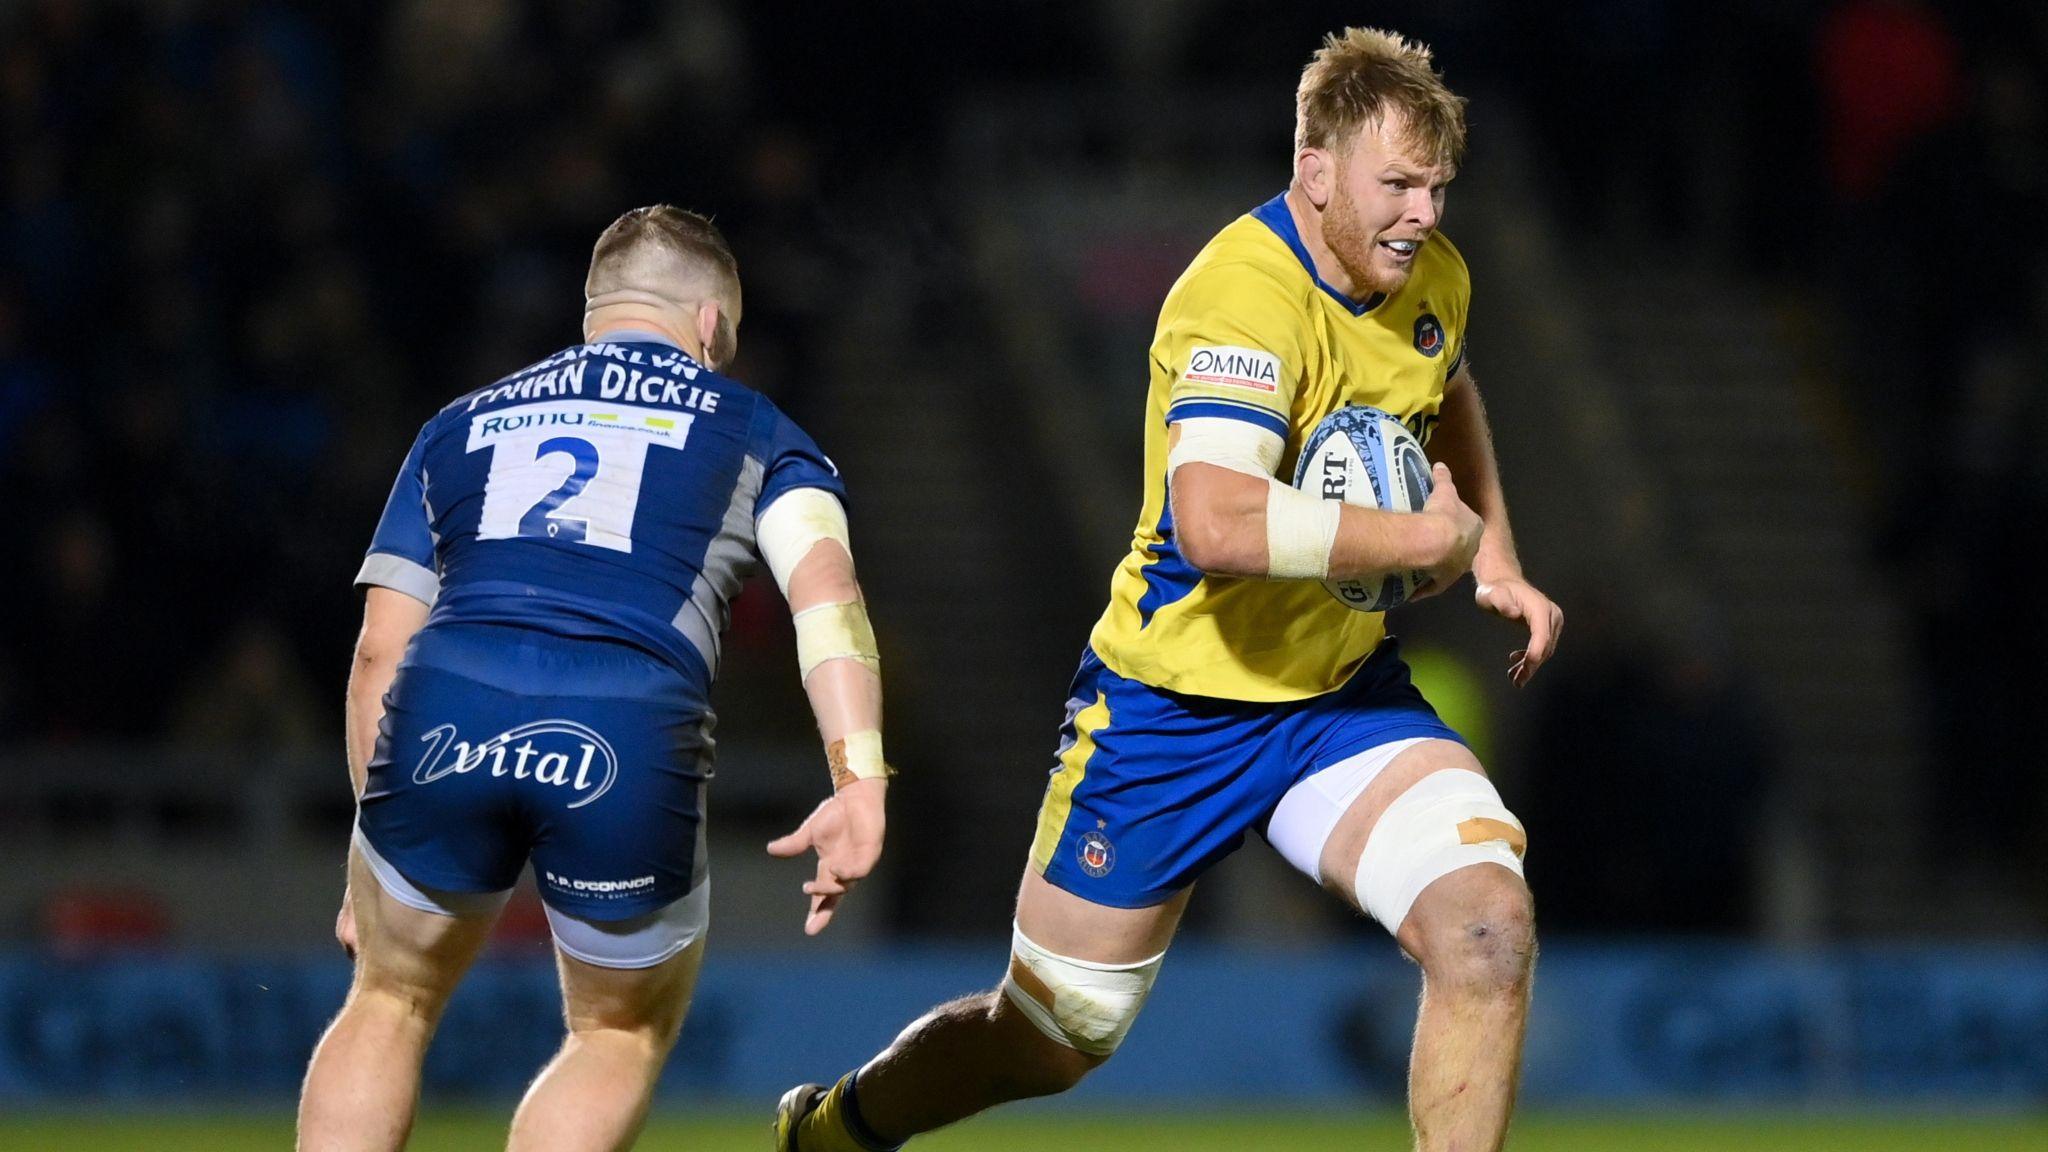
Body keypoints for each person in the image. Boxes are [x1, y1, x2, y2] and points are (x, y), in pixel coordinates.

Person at [777, 28, 1561, 1152]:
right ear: (1315, 171)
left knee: (1486, 932)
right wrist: (1425, 544)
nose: (1423, 212)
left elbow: (1446, 379)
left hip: (1333, 701)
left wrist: (1492, 558)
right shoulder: (1239, 297)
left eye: (1436, 187)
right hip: (1168, 711)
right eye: (1396, 184)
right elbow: (1216, 521)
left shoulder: (1427, 274)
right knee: (1050, 1035)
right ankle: (842, 1129)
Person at [297, 205, 892, 1152]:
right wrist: (858, 777)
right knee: (615, 1029)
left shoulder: (457, 425)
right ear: (707, 324)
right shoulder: (762, 433)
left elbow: (378, 650)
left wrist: (383, 842)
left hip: (451, 699)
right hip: (627, 725)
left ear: (595, 315)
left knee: (391, 996)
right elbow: (827, 594)